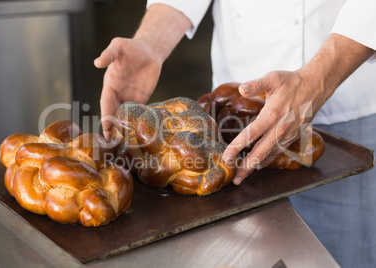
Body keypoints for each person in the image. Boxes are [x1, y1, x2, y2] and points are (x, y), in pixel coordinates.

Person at [94, 1, 376, 267]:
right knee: (240, 256)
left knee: (342, 257)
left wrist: (320, 78)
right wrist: (150, 44)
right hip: (229, 124)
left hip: (349, 103)